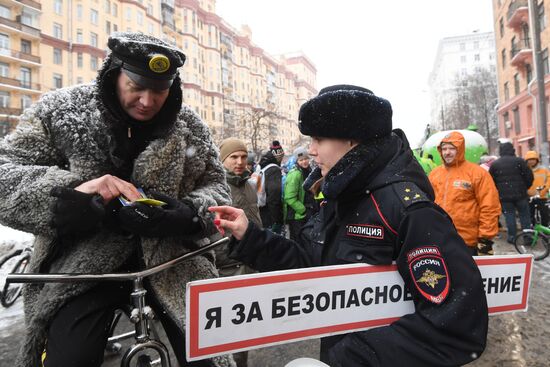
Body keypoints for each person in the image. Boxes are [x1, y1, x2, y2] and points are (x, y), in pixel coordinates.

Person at [210, 85, 488, 367]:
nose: (312, 150)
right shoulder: (341, 196)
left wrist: (349, 359)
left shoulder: (407, 209)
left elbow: (457, 327)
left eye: (319, 138)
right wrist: (251, 236)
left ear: (353, 141)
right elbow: (311, 265)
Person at [0, 32, 234, 367]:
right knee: (70, 359)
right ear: (115, 73)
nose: (148, 100)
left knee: (210, 356)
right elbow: (4, 171)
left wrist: (186, 214)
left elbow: (216, 185)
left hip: (172, 260)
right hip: (83, 268)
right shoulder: (63, 110)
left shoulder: (189, 126)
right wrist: (70, 198)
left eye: (159, 90)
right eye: (136, 86)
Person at [428, 131, 501, 255]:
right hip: (439, 240)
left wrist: (485, 239)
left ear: (460, 149)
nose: (447, 152)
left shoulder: (477, 173)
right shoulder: (434, 174)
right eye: (444, 148)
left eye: (452, 148)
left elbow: (490, 206)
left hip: (467, 242)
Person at [490, 142, 534, 243]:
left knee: (509, 215)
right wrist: (525, 187)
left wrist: (499, 190)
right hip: (521, 195)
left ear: (501, 151)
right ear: (513, 150)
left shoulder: (496, 164)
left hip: (504, 197)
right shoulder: (520, 161)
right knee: (524, 216)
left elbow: (490, 181)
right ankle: (527, 237)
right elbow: (529, 176)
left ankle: (512, 237)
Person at [283, 147, 316, 240]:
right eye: (301, 160)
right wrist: (303, 210)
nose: (304, 162)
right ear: (297, 161)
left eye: (306, 159)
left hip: (306, 212)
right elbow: (289, 197)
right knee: (298, 241)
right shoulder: (295, 174)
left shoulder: (309, 171)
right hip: (297, 215)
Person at [257, 143, 284, 234]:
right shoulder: (274, 170)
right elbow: (274, 198)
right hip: (271, 217)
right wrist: (277, 220)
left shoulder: (263, 168)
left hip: (263, 212)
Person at [524, 150, 550, 227]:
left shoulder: (544, 170)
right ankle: (533, 230)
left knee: (545, 215)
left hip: (542, 196)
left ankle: (545, 230)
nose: (531, 161)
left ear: (537, 160)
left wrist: (545, 189)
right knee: (530, 215)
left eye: (533, 159)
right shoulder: (525, 170)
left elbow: (549, 180)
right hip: (529, 196)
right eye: (529, 160)